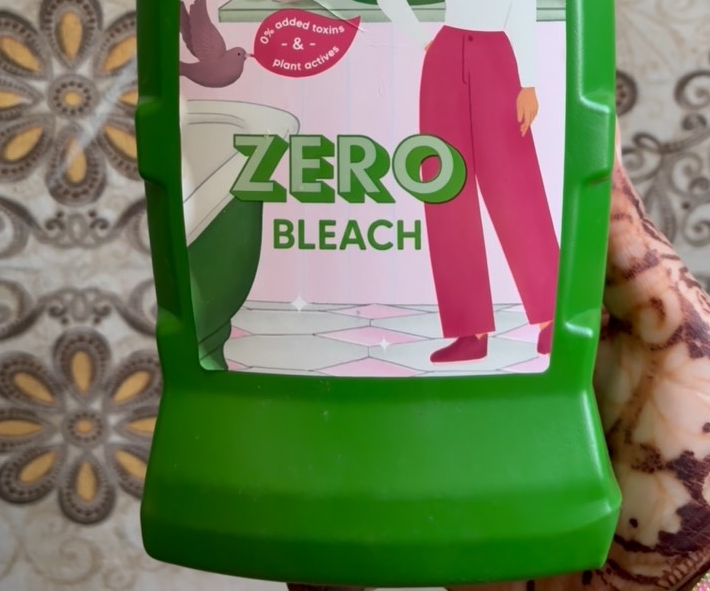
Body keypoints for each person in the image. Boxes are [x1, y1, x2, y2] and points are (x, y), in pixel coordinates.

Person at [287, 136, 710, 589]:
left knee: (506, 176)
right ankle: (470, 332)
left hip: (557, 483)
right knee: (437, 176)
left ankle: (514, 326)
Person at [377, 0, 558, 363]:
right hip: (444, 64)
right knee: (446, 186)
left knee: (516, 186)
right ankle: (468, 332)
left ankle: (550, 316)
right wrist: (427, 43)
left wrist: (529, 85)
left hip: (499, 64)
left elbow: (522, 20)